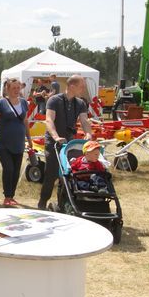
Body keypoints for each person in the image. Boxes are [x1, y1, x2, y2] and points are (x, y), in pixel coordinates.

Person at [37, 74, 94, 210]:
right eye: (81, 86)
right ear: (72, 86)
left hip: (69, 143)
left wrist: (88, 133)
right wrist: (56, 137)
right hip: (54, 142)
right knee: (51, 174)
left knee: (68, 174)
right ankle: (43, 202)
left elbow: (84, 121)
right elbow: (49, 120)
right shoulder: (54, 100)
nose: (83, 89)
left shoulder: (80, 103)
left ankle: (64, 204)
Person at [0, 78, 30, 207]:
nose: (16, 90)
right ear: (7, 89)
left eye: (18, 88)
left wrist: (29, 139)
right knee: (8, 169)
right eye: (14, 88)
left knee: (16, 171)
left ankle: (11, 196)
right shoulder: (1, 103)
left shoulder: (23, 103)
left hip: (19, 143)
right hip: (3, 143)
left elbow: (25, 121)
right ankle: (7, 196)